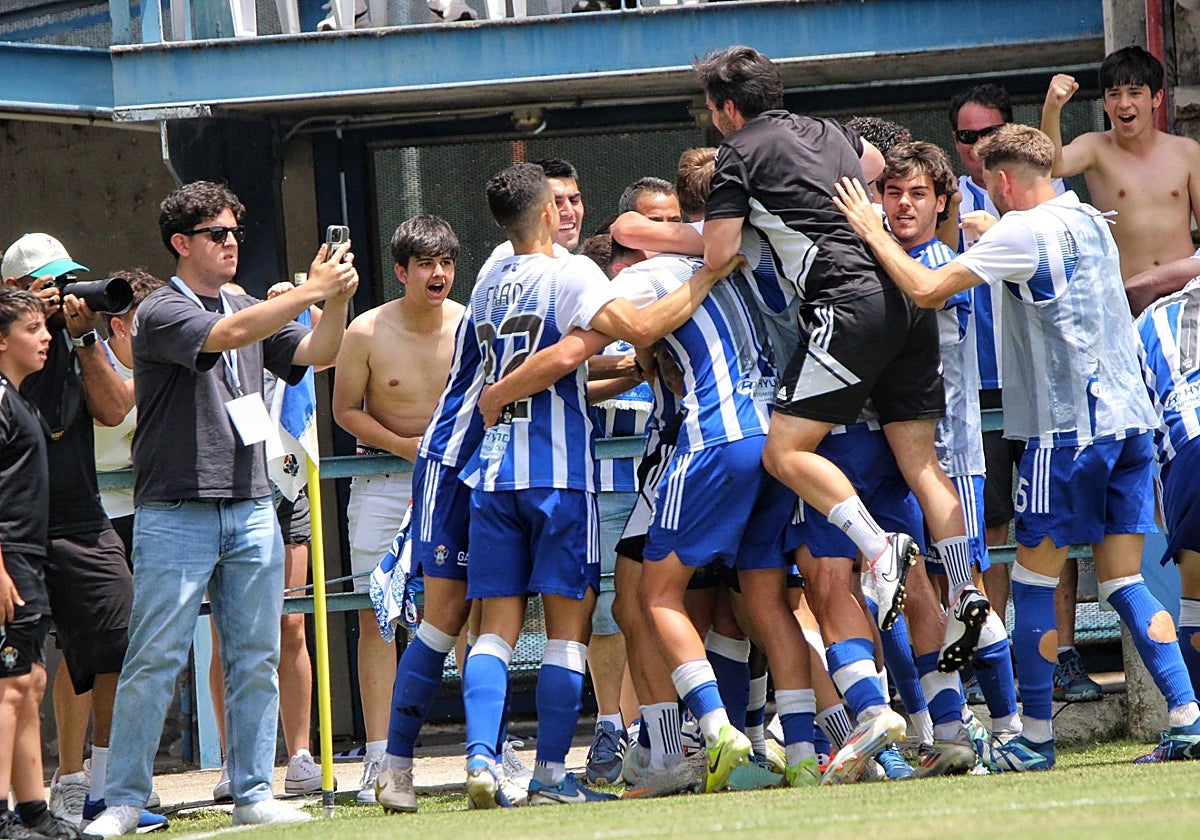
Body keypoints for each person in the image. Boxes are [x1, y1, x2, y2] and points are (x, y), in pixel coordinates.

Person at [833, 122, 1200, 771]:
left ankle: (1030, 736)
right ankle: (1186, 715)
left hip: (1070, 429)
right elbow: (1014, 247)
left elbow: (924, 288)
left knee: (1029, 579)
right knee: (1120, 580)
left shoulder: (1018, 233)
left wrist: (869, 229)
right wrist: (982, 233)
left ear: (1001, 181)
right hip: (1130, 424)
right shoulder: (1084, 216)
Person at [85, 180, 358, 836]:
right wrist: (308, 292)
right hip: (176, 508)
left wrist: (336, 303)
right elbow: (228, 332)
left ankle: (254, 790)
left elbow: (319, 355)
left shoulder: (244, 302)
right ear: (182, 244)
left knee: (255, 654)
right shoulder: (160, 312)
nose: (233, 242)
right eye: (218, 234)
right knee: (154, 656)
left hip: (252, 503)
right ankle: (123, 798)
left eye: (236, 231)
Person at [947, 83, 1099, 705]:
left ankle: (1061, 655)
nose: (978, 146)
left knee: (1049, 529)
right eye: (965, 136)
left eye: (989, 134)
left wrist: (1053, 114)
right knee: (988, 528)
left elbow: (1049, 175)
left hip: (1039, 394)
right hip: (974, 393)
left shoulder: (1041, 201)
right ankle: (995, 660)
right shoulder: (938, 199)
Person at [1, 234, 157, 831]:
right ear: (15, 290)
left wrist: (84, 335)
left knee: (122, 642)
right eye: (51, 284)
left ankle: (104, 788)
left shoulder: (67, 341)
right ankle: (32, 801)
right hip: (16, 527)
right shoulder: (8, 339)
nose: (67, 294)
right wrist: (26, 316)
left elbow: (115, 409)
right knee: (20, 670)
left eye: (71, 280)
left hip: (79, 518)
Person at [878, 141, 1021, 743]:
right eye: (893, 192)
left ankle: (1013, 727)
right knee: (909, 597)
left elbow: (923, 293)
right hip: (894, 463)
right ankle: (944, 727)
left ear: (942, 202)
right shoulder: (884, 259)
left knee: (969, 596)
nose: (904, 204)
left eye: (918, 194)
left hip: (953, 464)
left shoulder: (942, 262)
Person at [332, 215, 463, 804]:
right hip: (383, 477)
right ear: (402, 271)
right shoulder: (364, 330)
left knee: (470, 605)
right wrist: (406, 446)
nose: (438, 275)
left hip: (459, 476)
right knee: (375, 614)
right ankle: (381, 757)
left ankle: (487, 744)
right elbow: (344, 410)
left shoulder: (470, 324)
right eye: (426, 265)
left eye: (446, 263)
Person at [0, 287, 77, 840]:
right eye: (31, 328)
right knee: (7, 684)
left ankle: (34, 813)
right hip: (8, 561)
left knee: (29, 679)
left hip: (29, 556)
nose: (45, 336)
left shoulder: (18, 396)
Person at [1041, 45, 1200, 284]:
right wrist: (1052, 107)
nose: (1124, 104)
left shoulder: (1186, 151)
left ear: (1156, 97)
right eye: (1114, 94)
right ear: (1104, 103)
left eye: (1134, 93)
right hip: (1127, 294)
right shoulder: (1095, 148)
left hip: (1184, 290)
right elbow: (1052, 166)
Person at [1135, 270, 1200, 761]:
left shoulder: (1143, 325)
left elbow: (1141, 421)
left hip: (1188, 448)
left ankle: (1194, 726)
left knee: (1196, 599)